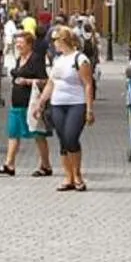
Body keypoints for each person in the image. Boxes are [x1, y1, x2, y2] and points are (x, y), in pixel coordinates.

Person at [44, 25, 97, 191]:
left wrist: (89, 109)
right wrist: (40, 102)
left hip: (76, 103)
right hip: (57, 103)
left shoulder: (80, 59)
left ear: (63, 40)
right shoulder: (57, 60)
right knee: (63, 141)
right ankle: (68, 177)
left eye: (55, 40)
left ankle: (77, 175)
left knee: (71, 137)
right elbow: (51, 83)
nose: (53, 43)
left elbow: (88, 84)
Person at [0, 31, 52, 177]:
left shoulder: (36, 59)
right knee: (13, 132)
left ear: (29, 44)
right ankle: (9, 165)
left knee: (38, 134)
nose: (18, 45)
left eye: (21, 43)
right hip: (17, 102)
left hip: (31, 103)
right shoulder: (19, 58)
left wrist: (27, 81)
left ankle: (45, 165)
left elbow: (45, 81)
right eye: (17, 43)